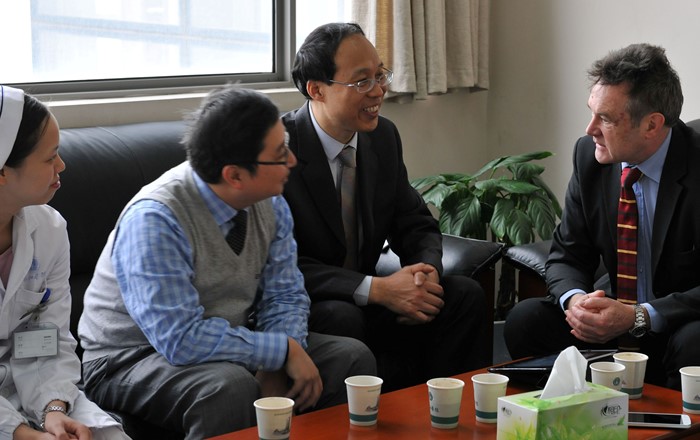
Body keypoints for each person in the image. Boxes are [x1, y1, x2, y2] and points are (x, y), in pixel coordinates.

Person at [77, 86, 376, 439]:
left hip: (229, 339)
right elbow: (180, 338)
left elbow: (285, 293)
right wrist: (279, 351)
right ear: (234, 175)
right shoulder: (157, 219)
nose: (292, 162)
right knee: (229, 387)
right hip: (128, 358)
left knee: (350, 358)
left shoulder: (269, 198)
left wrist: (281, 353)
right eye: (280, 154)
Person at [281, 22, 490, 392]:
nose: (379, 91)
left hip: (372, 296)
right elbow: (280, 264)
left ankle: (450, 417)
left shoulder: (382, 137)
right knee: (341, 317)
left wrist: (423, 275)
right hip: (311, 304)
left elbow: (413, 222)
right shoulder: (280, 151)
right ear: (317, 90)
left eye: (380, 75)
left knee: (463, 296)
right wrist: (375, 289)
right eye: (362, 81)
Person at [504, 43, 700, 390]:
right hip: (611, 319)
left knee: (695, 342)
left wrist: (640, 316)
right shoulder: (590, 156)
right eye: (592, 112)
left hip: (677, 322)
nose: (590, 128)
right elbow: (567, 254)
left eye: (606, 119)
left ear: (652, 125)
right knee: (526, 320)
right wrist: (577, 302)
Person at [0, 85, 131, 439]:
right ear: (2, 171)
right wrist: (22, 433)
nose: (62, 165)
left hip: (29, 389)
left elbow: (48, 337)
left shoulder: (49, 229)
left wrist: (53, 410)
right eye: (49, 157)